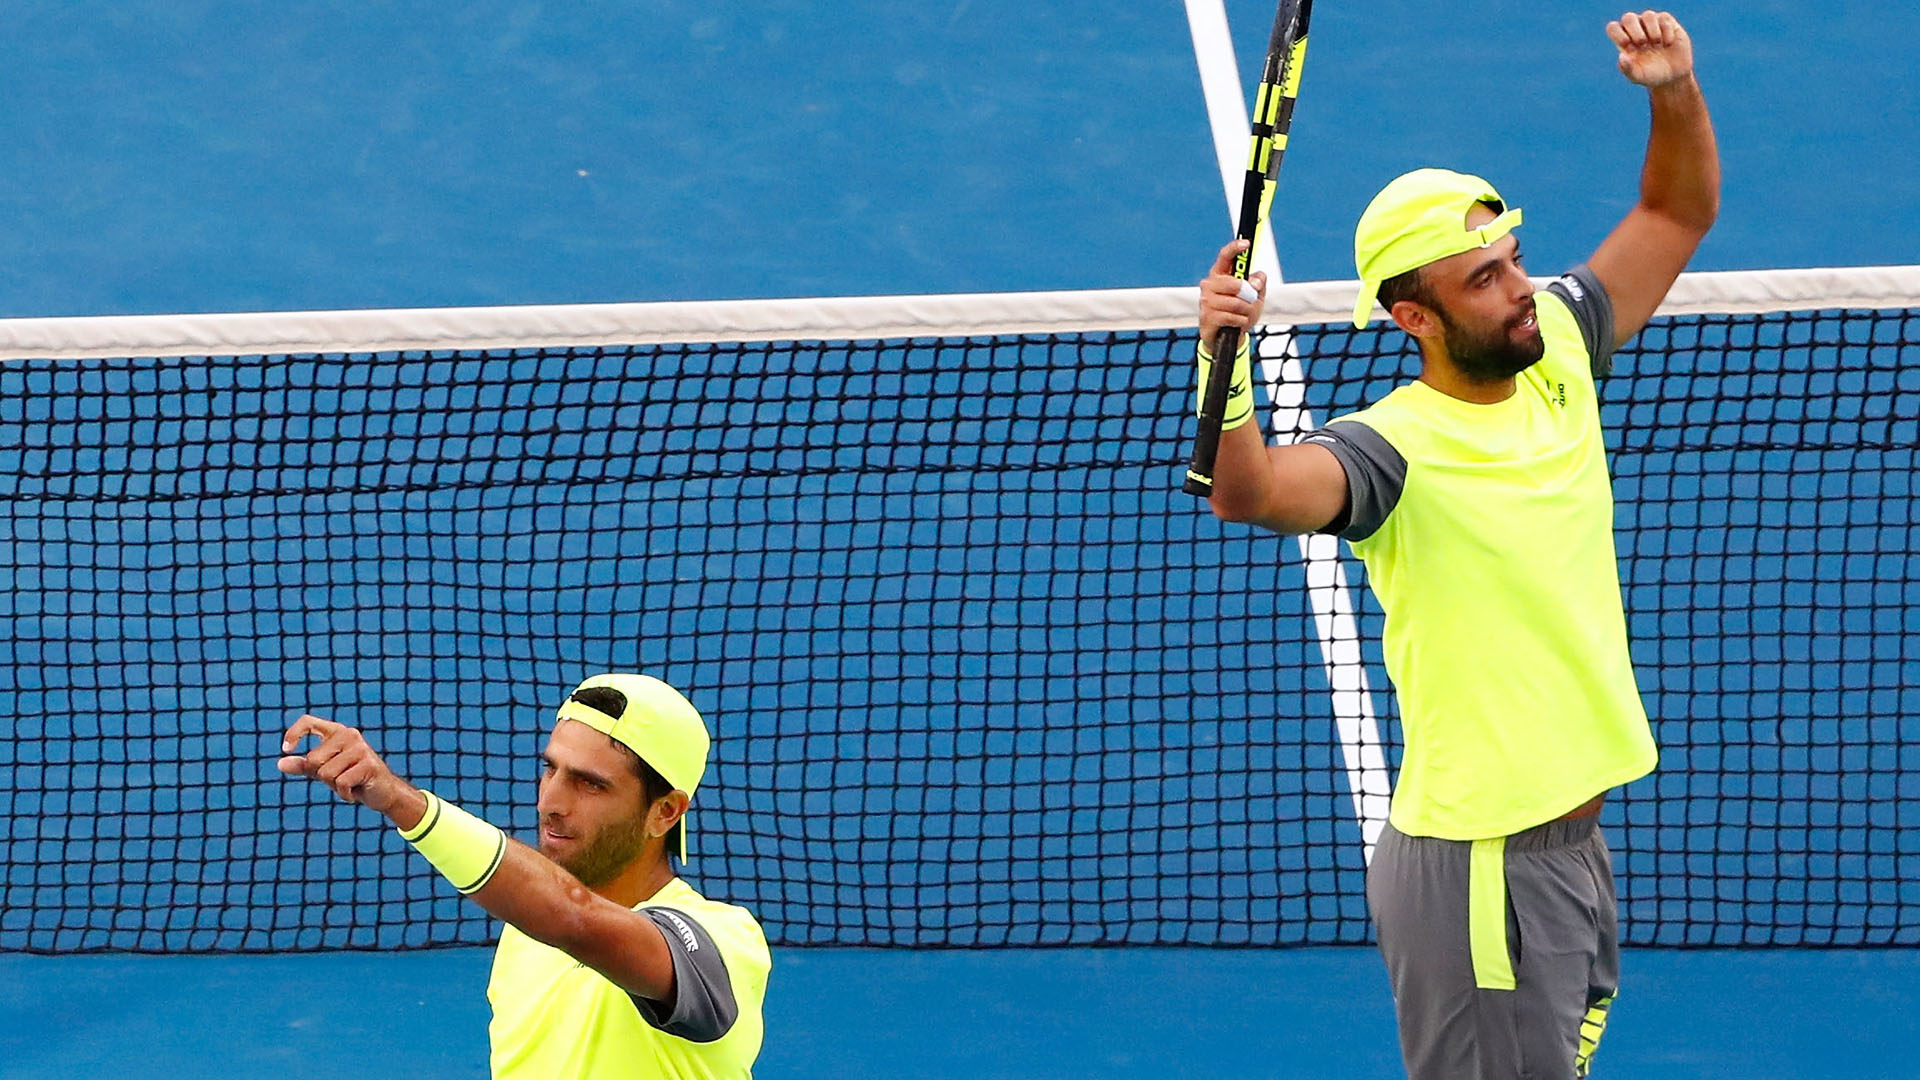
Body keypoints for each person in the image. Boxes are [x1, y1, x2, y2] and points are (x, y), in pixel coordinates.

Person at [1194, 11, 1716, 1079]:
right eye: (1483, 279)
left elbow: (1675, 210)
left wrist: (1672, 90)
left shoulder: (1558, 350)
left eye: (1511, 259)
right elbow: (1249, 493)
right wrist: (1224, 362)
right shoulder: (1390, 451)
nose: (1519, 286)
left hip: (1569, 849)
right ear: (1413, 319)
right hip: (1484, 874)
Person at [278, 672, 770, 1079]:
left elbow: (574, 916)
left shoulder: (725, 946)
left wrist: (400, 801)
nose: (550, 803)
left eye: (590, 785)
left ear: (664, 812)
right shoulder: (526, 929)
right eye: (550, 770)